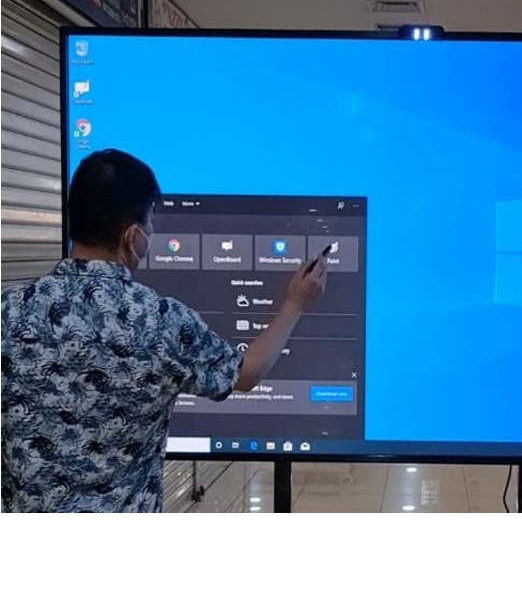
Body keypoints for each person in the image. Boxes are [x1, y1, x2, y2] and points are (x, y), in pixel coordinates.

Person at [1, 149, 327, 513]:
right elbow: (247, 372)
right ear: (133, 236)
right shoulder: (159, 321)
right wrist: (295, 303)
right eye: (151, 224)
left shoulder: (8, 310)